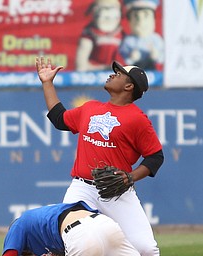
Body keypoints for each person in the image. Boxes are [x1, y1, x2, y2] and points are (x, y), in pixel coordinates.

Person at [36, 56, 164, 256]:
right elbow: (59, 119)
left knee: (146, 249)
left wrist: (130, 177)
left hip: (116, 191)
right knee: (65, 243)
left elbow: (155, 156)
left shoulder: (137, 119)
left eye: (119, 73)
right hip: (81, 189)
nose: (113, 74)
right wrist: (47, 83)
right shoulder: (91, 108)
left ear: (129, 86)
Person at [2, 201, 139, 256]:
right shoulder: (43, 223)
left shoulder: (18, 224)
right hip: (106, 225)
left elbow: (10, 253)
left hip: (80, 234)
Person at [75, 0, 124, 71]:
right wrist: (105, 68)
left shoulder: (122, 34)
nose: (108, 12)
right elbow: (80, 66)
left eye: (112, 8)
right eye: (104, 8)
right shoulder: (89, 35)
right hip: (94, 77)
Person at [119, 0, 164, 70]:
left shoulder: (156, 39)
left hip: (153, 72)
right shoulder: (128, 41)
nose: (141, 21)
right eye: (136, 16)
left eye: (146, 16)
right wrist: (131, 58)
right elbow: (122, 58)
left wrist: (156, 56)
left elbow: (163, 57)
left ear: (153, 20)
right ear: (129, 21)